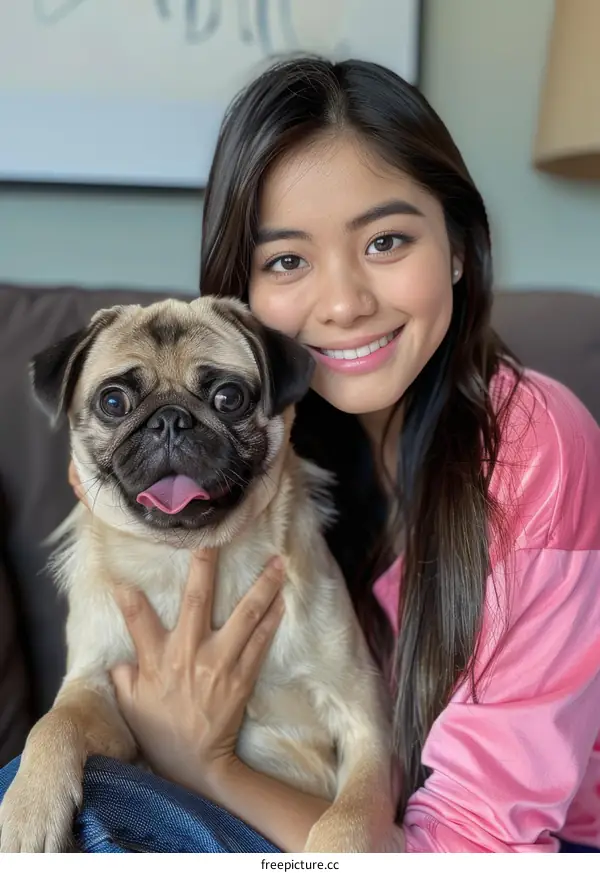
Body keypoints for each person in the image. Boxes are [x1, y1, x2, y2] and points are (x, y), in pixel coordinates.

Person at [2, 56, 600, 854]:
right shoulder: (276, 425)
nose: (345, 301)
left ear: (458, 246)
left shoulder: (531, 445)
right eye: (288, 259)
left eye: (386, 240)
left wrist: (206, 763)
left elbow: (474, 845)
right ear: (243, 291)